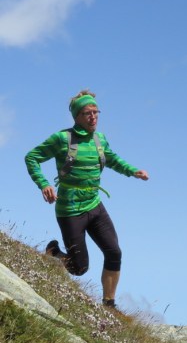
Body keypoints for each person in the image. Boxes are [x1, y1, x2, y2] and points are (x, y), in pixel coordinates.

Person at [25, 89, 149, 310]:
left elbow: (112, 159)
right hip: (70, 210)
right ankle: (54, 253)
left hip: (95, 205)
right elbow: (32, 157)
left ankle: (109, 304)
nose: (93, 117)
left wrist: (132, 171)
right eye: (87, 113)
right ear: (77, 116)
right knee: (79, 268)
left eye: (96, 112)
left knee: (114, 252)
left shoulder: (99, 139)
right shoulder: (62, 139)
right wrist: (43, 184)